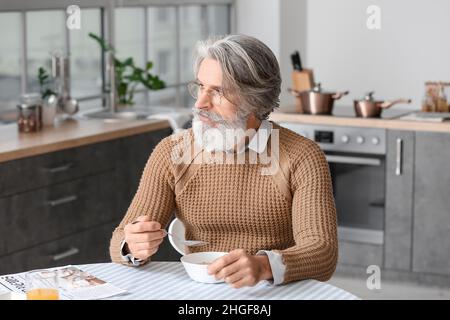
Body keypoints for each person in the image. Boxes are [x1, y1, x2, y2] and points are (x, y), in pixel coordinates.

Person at [110, 34, 338, 288]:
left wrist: (263, 266)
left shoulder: (302, 156)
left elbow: (322, 252)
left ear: (254, 98)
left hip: (272, 293)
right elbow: (119, 240)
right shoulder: (171, 152)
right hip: (199, 291)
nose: (200, 103)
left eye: (217, 92)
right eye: (200, 87)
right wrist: (133, 245)